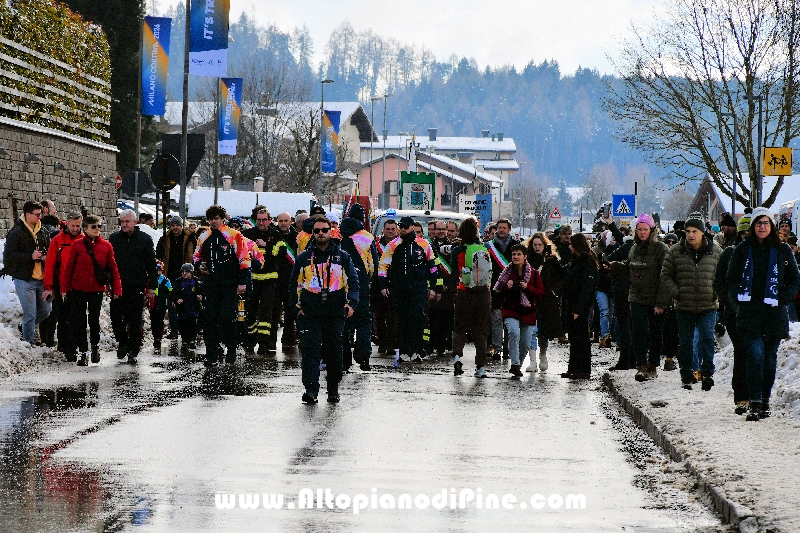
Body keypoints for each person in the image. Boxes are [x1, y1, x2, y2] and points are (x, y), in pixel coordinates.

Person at [727, 208, 800, 421]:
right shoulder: (743, 249)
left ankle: (765, 401)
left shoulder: (782, 250)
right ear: (753, 226)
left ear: (772, 226)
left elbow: (795, 280)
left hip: (774, 313)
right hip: (750, 312)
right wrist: (738, 297)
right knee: (755, 355)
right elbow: (731, 279)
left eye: (766, 223)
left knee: (769, 359)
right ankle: (755, 401)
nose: (762, 227)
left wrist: (783, 297)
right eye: (758, 223)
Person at [289, 216, 359, 404]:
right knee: (310, 351)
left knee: (334, 351)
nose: (321, 234)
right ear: (313, 233)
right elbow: (294, 284)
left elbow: (353, 282)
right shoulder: (304, 258)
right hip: (310, 312)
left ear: (331, 231)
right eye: (317, 231)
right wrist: (296, 307)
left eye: (324, 230)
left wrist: (351, 303)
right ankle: (311, 390)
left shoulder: (342, 257)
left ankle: (333, 389)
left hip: (335, 311)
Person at [658, 215, 722, 390]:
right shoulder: (675, 251)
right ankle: (686, 374)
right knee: (686, 341)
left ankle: (707, 373)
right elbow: (665, 275)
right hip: (684, 304)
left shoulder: (715, 251)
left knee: (707, 338)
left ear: (702, 232)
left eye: (694, 231)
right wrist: (677, 293)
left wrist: (715, 293)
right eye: (688, 231)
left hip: (708, 304)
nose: (691, 235)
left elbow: (723, 275)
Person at [612, 213, 669, 382]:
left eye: (645, 229)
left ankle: (652, 364)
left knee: (655, 332)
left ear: (652, 230)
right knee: (638, 331)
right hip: (636, 295)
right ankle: (641, 364)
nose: (642, 232)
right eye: (639, 230)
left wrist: (661, 302)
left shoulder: (661, 249)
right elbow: (630, 266)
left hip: (655, 297)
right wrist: (615, 266)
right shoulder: (634, 248)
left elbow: (665, 276)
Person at [59, 215, 122, 365]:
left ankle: (95, 347)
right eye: (94, 226)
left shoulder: (106, 246)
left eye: (99, 226)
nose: (97, 229)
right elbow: (69, 268)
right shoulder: (77, 245)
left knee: (94, 320)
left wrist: (117, 288)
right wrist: (64, 288)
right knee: (79, 321)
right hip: (78, 289)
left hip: (96, 289)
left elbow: (113, 268)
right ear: (85, 228)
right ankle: (83, 352)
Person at [194, 205, 251, 367]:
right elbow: (196, 256)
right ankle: (211, 354)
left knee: (227, 317)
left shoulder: (234, 235)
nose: (213, 222)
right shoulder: (204, 236)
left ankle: (231, 349)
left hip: (229, 283)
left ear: (222, 219)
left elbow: (244, 259)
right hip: (211, 283)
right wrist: (199, 266)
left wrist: (243, 281)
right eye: (211, 219)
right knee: (209, 319)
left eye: (216, 218)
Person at [378, 216, 440, 362]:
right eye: (401, 227)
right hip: (400, 288)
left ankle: (417, 350)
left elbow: (432, 267)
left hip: (419, 288)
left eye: (406, 227)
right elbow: (383, 267)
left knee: (417, 318)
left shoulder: (424, 244)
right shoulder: (393, 245)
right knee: (402, 319)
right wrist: (383, 286)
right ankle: (404, 351)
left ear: (413, 227)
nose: (403, 229)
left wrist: (433, 288)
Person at [109, 210, 158, 363]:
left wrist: (152, 286)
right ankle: (123, 342)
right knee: (116, 318)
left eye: (127, 222)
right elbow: (109, 262)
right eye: (122, 222)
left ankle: (133, 349)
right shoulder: (114, 238)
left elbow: (151, 264)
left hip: (137, 286)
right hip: (118, 286)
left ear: (134, 222)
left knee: (135, 320)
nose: (124, 225)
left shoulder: (145, 239)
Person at [713, 215, 750, 414]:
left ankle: (756, 395)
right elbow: (719, 281)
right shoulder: (730, 252)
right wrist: (728, 301)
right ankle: (742, 395)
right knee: (742, 350)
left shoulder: (766, 253)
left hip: (757, 312)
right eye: (744, 233)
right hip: (734, 312)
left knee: (757, 353)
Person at [3, 201, 51, 346]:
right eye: (37, 214)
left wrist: (46, 257)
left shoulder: (43, 231)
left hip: (41, 279)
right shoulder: (16, 232)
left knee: (46, 311)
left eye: (40, 214)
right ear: (27, 214)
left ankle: (24, 328)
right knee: (30, 314)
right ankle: (29, 344)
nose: (39, 217)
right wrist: (30, 256)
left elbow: (49, 249)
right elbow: (9, 256)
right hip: (24, 279)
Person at [493, 244, 544, 377]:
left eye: (519, 254)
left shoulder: (533, 273)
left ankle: (518, 366)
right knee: (514, 332)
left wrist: (527, 287)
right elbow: (498, 290)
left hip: (528, 311)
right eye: (514, 254)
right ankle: (514, 364)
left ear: (525, 256)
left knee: (526, 343)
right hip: (510, 309)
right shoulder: (507, 272)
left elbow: (540, 292)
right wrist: (507, 286)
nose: (516, 257)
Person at [451, 217, 492, 377]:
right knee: (481, 330)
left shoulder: (458, 250)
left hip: (464, 292)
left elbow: (454, 270)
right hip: (482, 293)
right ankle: (480, 367)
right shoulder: (484, 248)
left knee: (460, 327)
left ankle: (457, 357)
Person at [339, 203, 378, 371]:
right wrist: (368, 279)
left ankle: (344, 359)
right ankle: (363, 357)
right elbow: (373, 264)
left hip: (338, 283)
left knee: (342, 322)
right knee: (363, 321)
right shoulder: (367, 237)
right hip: (360, 282)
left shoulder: (337, 233)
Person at [242, 208, 284, 354]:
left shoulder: (276, 234)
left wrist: (266, 245)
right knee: (250, 311)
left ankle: (264, 344)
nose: (261, 222)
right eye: (259, 220)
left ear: (269, 220)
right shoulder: (248, 234)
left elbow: (282, 252)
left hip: (269, 279)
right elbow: (241, 253)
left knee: (266, 313)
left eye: (264, 220)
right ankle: (250, 340)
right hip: (252, 278)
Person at [42, 212, 83, 353]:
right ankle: (63, 344)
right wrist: (48, 286)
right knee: (62, 315)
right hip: (61, 283)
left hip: (78, 285)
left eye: (78, 226)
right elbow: (50, 264)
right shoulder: (58, 240)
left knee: (76, 316)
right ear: (67, 223)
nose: (75, 229)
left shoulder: (84, 239)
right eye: (73, 226)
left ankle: (73, 344)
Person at [560, 234, 599, 379]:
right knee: (574, 338)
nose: (569, 247)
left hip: (580, 306)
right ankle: (574, 368)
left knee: (581, 338)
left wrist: (579, 309)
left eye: (571, 244)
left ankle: (583, 369)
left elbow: (587, 289)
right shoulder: (575, 261)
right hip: (572, 304)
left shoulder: (587, 263)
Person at [525, 232, 564, 372]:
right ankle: (532, 360)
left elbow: (561, 275)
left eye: (540, 245)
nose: (537, 247)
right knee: (532, 329)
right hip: (530, 297)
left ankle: (543, 355)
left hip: (546, 299)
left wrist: (554, 290)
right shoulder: (527, 259)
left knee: (544, 330)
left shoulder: (551, 259)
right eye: (535, 245)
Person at [155, 216, 197, 339]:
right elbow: (158, 255)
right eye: (173, 225)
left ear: (181, 226)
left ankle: (188, 331)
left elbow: (196, 255)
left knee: (188, 302)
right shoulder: (165, 239)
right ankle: (174, 330)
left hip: (186, 276)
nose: (175, 227)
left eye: (177, 225)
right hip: (170, 275)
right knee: (172, 303)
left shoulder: (190, 238)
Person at [486, 218, 520, 360]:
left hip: (512, 288)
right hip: (496, 287)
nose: (501, 230)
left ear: (509, 229)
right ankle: (497, 348)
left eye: (504, 228)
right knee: (496, 319)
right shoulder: (489, 246)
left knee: (510, 320)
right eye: (499, 227)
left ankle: (508, 349)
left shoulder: (516, 245)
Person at [605, 221, 635, 370]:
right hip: (634, 291)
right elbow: (620, 238)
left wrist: (614, 267)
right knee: (633, 327)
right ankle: (633, 359)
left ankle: (626, 360)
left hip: (624, 291)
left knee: (625, 328)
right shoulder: (638, 246)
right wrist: (611, 224)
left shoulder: (630, 246)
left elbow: (609, 258)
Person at [428, 220, 456, 357]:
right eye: (438, 229)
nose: (440, 231)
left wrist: (449, 285)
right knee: (433, 318)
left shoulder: (453, 247)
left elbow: (455, 269)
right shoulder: (429, 246)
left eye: (443, 229)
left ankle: (444, 345)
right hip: (434, 288)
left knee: (447, 319)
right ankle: (433, 344)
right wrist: (437, 286)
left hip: (449, 290)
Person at [372, 219, 399, 354]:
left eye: (393, 229)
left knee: (393, 317)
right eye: (388, 229)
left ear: (397, 230)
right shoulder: (375, 245)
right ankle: (382, 343)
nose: (390, 231)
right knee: (380, 317)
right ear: (383, 230)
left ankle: (391, 344)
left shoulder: (400, 244)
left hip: (395, 284)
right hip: (378, 284)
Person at [274, 212, 299, 349]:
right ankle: (270, 342)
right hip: (275, 278)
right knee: (274, 312)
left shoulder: (297, 237)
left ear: (290, 222)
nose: (283, 223)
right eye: (281, 221)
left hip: (291, 279)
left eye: (286, 221)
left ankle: (289, 340)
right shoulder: (272, 235)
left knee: (290, 312)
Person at [172, 263, 202, 353]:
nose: (184, 274)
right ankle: (184, 340)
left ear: (191, 273)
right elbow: (173, 293)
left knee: (192, 323)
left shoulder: (196, 281)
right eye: (183, 272)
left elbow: (201, 291)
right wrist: (177, 299)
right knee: (182, 324)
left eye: (187, 272)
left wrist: (200, 296)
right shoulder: (178, 281)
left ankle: (192, 340)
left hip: (193, 306)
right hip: (182, 307)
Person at [149, 261, 173, 355]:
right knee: (153, 321)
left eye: (159, 270)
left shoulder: (166, 281)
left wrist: (170, 297)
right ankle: (155, 336)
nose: (158, 272)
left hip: (162, 304)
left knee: (160, 321)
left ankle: (158, 337)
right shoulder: (151, 280)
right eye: (156, 270)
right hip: (153, 304)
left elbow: (170, 291)